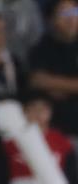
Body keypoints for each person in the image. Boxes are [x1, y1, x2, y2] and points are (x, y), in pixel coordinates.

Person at [29, 0, 78, 138]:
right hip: (53, 131)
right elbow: (37, 81)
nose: (71, 18)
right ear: (51, 19)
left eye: (75, 12)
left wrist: (55, 84)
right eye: (64, 13)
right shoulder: (41, 48)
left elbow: (47, 82)